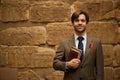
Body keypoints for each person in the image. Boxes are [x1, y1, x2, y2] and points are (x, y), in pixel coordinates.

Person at [53, 10, 104, 80]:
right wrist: (68, 64)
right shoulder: (64, 42)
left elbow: (100, 70)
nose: (80, 23)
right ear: (73, 23)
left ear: (86, 23)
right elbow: (55, 64)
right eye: (77, 20)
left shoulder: (96, 43)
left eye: (82, 20)